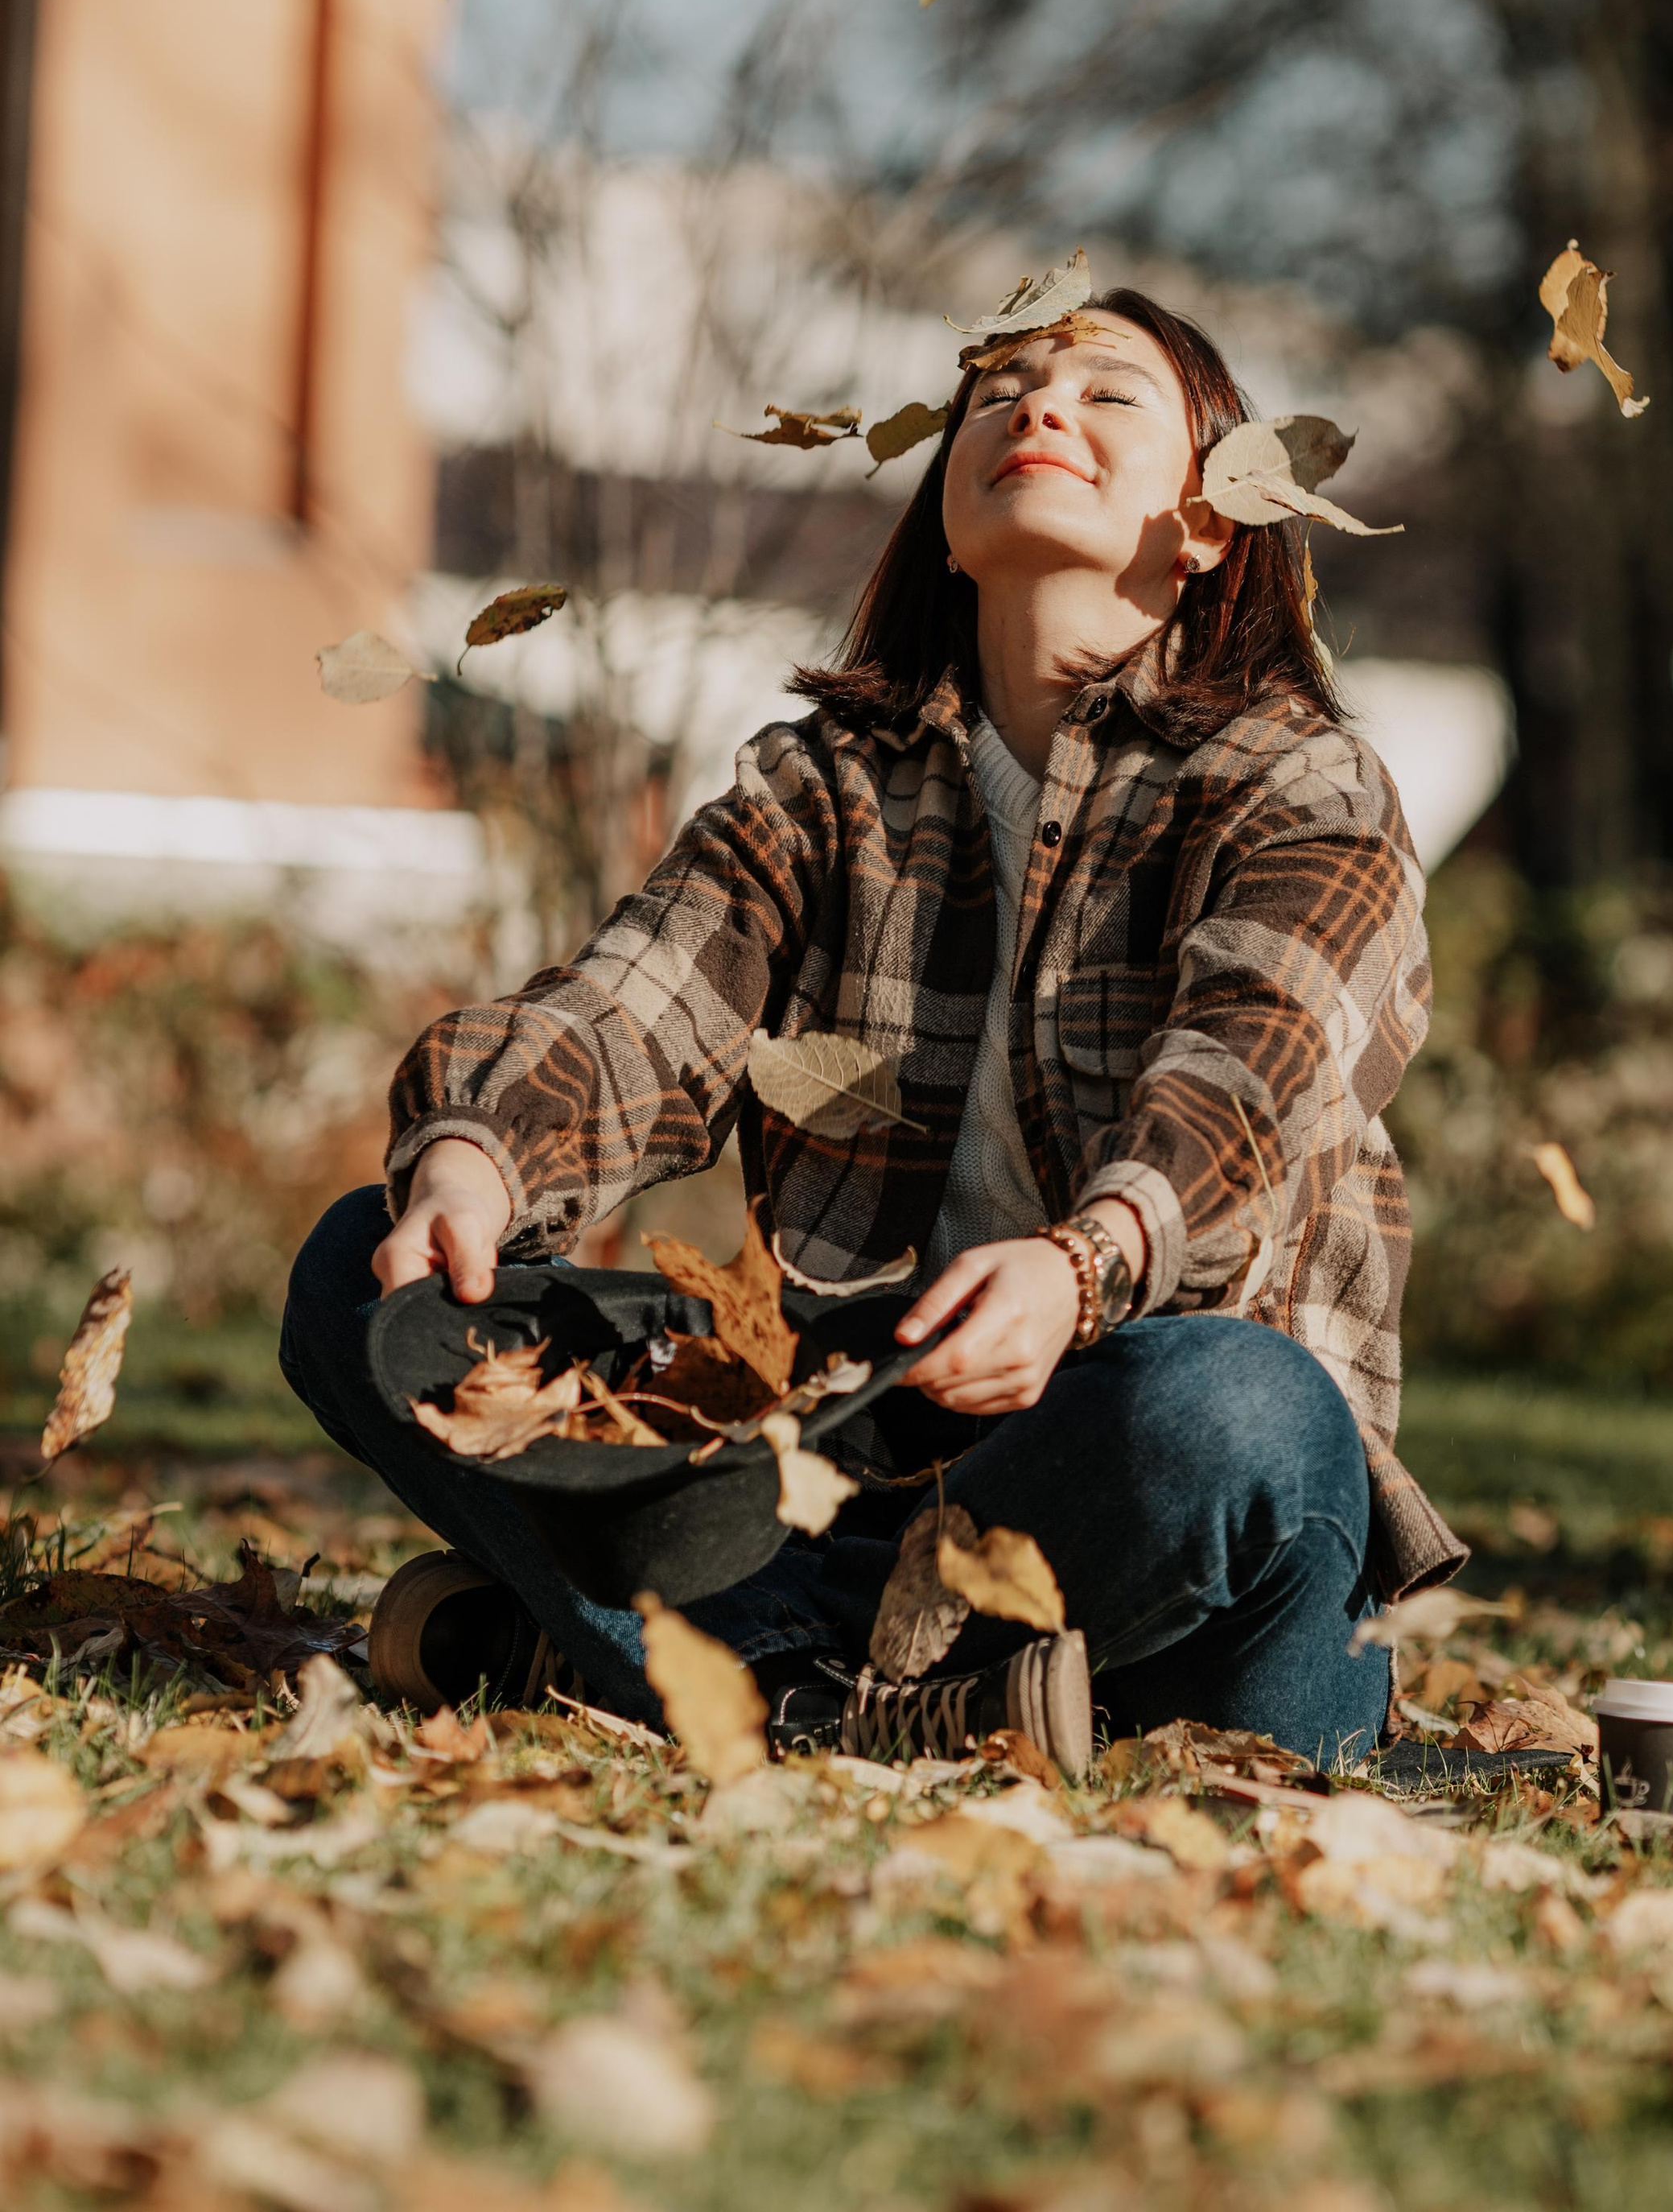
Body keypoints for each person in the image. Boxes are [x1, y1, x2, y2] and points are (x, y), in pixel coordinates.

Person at [283, 286, 1542, 1783]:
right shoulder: (827, 788)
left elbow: (1253, 1070)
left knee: (1236, 1408)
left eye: (1108, 393)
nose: (1037, 405)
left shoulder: (1304, 785)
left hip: (1140, 1480)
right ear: (948, 517)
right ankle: (847, 1701)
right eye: (1001, 387)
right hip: (842, 1456)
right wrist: (480, 1161)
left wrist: (1086, 1272)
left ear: (1213, 523)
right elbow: (638, 1002)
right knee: (363, 1268)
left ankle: (658, 1665)